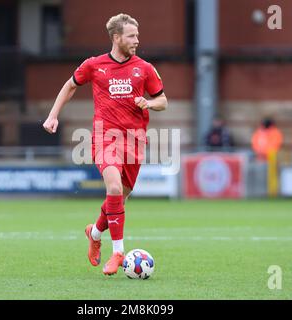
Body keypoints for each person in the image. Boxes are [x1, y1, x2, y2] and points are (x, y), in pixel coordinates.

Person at [43, 13, 167, 276]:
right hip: (105, 137)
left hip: (134, 141)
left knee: (118, 198)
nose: (137, 40)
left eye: (137, 34)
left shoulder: (144, 68)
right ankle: (118, 252)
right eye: (132, 35)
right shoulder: (94, 65)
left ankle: (95, 233)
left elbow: (162, 100)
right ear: (116, 37)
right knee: (112, 186)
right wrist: (53, 115)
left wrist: (149, 103)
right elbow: (70, 86)